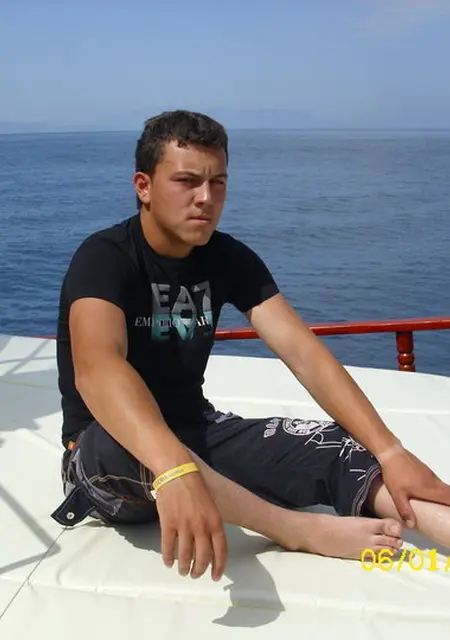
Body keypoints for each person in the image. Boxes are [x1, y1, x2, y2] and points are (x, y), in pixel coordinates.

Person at [51, 110, 450, 582]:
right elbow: (98, 369)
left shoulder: (228, 258)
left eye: (218, 183)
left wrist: (390, 452)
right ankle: (294, 529)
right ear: (144, 186)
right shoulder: (104, 258)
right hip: (107, 456)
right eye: (187, 181)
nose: (206, 198)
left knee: (338, 445)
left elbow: (303, 353)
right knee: (120, 443)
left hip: (196, 431)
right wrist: (175, 468)